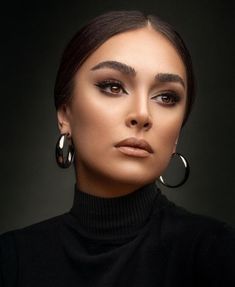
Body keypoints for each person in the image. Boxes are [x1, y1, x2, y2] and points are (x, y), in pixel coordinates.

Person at [0, 10, 234, 287]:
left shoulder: (218, 254)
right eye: (113, 87)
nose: (142, 114)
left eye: (166, 97)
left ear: (177, 133)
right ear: (65, 113)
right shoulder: (11, 259)